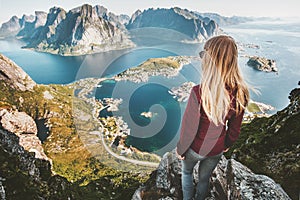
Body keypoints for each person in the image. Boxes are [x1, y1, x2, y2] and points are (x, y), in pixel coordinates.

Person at [176, 35, 250, 200]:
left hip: (195, 148)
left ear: (209, 61)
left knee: (187, 172)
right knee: (204, 179)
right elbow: (234, 129)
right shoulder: (240, 93)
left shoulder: (198, 92)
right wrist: (226, 145)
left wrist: (181, 149)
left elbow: (189, 128)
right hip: (216, 149)